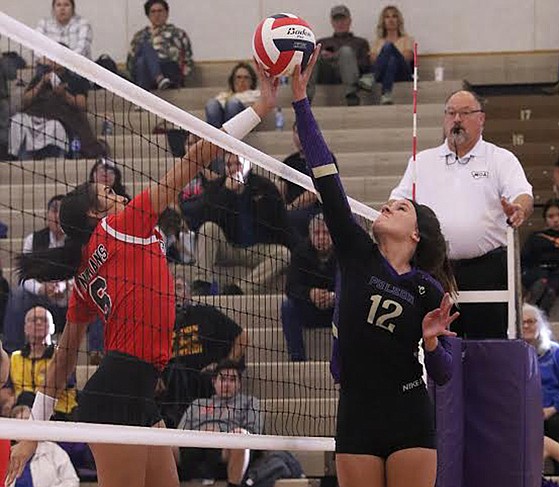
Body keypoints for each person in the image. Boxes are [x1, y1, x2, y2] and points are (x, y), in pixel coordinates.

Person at [5, 64, 278, 487]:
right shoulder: (122, 225)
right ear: (98, 215)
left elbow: (64, 359)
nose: (120, 195)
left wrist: (31, 434)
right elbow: (194, 158)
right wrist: (260, 106)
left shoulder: (85, 272)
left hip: (136, 389)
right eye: (110, 194)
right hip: (118, 391)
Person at [290, 48, 459, 487]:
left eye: (400, 207)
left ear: (416, 234)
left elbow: (444, 375)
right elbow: (326, 175)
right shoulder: (356, 252)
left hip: (409, 413)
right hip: (356, 411)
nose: (387, 205)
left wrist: (432, 343)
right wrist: (300, 99)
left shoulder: (426, 290)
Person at [390, 90, 533, 339]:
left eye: (465, 113)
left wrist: (518, 209)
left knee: (487, 344)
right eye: (451, 113)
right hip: (436, 267)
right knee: (441, 344)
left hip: (487, 269)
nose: (457, 119)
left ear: (481, 119)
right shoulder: (421, 161)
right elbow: (397, 200)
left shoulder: (500, 159)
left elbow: (523, 195)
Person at [187, 154, 292, 296]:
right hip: (228, 248)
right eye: (229, 165)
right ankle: (202, 283)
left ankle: (239, 289)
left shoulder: (264, 187)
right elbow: (204, 219)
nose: (233, 169)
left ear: (248, 166)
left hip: (258, 249)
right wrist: (227, 193)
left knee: (283, 254)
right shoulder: (216, 187)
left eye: (238, 164)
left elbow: (281, 223)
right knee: (208, 228)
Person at [159, 276, 247, 428]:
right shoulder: (160, 323)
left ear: (189, 294)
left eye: (179, 288)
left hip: (205, 381)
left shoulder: (205, 313)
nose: (174, 292)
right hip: (173, 384)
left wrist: (223, 366)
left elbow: (242, 337)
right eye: (170, 288)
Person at [176, 359, 261, 486]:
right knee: (163, 443)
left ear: (239, 384)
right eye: (222, 379)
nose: (227, 384)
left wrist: (222, 434)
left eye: (232, 380)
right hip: (194, 448)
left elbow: (253, 432)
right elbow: (178, 434)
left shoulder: (249, 402)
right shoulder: (198, 403)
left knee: (242, 435)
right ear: (214, 382)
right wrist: (200, 434)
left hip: (224, 449)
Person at [3, 195, 69, 353]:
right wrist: (41, 289)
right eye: (54, 211)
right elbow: (24, 277)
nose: (58, 216)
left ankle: (97, 352)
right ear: (47, 215)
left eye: (62, 212)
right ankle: (12, 351)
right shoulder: (32, 240)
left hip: (69, 297)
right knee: (18, 294)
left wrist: (61, 286)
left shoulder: (77, 240)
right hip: (41, 302)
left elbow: (83, 273)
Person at [9, 55, 106, 159]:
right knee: (17, 121)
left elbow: (82, 105)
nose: (54, 61)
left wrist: (64, 95)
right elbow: (25, 101)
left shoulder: (75, 79)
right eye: (52, 58)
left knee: (54, 127)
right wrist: (41, 83)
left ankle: (55, 157)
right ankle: (21, 160)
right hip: (35, 115)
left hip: (60, 119)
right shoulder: (40, 77)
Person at [281, 214, 336, 361]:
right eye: (317, 233)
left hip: (335, 311)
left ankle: (343, 357)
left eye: (325, 233)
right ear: (310, 235)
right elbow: (291, 287)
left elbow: (352, 285)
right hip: (310, 309)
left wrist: (333, 297)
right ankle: (297, 358)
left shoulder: (343, 254)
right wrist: (310, 294)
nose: (321, 237)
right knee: (288, 307)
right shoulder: (300, 252)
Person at [9, 306, 78, 420]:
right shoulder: (15, 357)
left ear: (53, 328)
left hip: (58, 412)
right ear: (25, 328)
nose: (39, 323)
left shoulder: (62, 355)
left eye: (44, 320)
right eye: (34, 320)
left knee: (26, 399)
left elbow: (64, 384)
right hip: (22, 409)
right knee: (23, 402)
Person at [307, 5, 370, 106]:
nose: (340, 23)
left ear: (349, 21)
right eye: (337, 20)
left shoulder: (360, 42)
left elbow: (365, 65)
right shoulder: (323, 42)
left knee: (346, 52)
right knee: (313, 53)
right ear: (332, 22)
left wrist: (340, 57)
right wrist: (326, 57)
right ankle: (306, 98)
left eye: (343, 19)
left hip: (349, 75)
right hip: (326, 74)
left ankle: (351, 95)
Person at [522, 303, 559, 474]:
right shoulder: (511, 354)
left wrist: (553, 408)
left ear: (541, 325)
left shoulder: (555, 352)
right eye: (523, 322)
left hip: (552, 411)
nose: (527, 326)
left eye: (531, 321)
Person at [127, 0, 193, 90]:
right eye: (153, 11)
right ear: (148, 15)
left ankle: (142, 98)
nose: (157, 15)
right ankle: (159, 79)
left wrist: (182, 77)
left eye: (160, 11)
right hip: (145, 74)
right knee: (143, 56)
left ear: (166, 13)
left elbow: (188, 60)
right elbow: (130, 63)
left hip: (170, 72)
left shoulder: (178, 34)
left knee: (144, 52)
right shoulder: (140, 36)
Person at [8, 405, 79, 487]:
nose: (25, 426)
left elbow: (72, 481)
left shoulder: (54, 451)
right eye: (21, 422)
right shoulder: (5, 453)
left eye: (28, 420)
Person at [278, 123, 320, 240]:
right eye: (296, 132)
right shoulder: (289, 161)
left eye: (303, 131)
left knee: (291, 218)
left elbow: (314, 193)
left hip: (316, 210)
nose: (300, 136)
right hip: (291, 210)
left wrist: (290, 207)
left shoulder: (323, 158)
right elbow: (281, 187)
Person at [366, 6, 413, 105]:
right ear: (383, 21)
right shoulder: (377, 42)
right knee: (392, 60)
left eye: (394, 16)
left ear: (398, 20)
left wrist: (386, 54)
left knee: (389, 48)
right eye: (387, 17)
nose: (391, 20)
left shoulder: (407, 39)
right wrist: (389, 56)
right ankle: (386, 94)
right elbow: (372, 60)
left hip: (402, 73)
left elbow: (407, 57)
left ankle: (371, 77)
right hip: (383, 74)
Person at [522, 198, 559, 314]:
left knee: (551, 289)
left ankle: (537, 316)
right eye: (551, 216)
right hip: (538, 271)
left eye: (558, 215)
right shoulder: (536, 237)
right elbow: (525, 259)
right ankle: (533, 314)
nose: (556, 220)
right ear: (545, 219)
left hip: (557, 273)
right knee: (541, 283)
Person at [205, 62, 260, 128]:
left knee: (233, 104)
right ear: (233, 80)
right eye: (238, 77)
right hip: (221, 122)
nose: (242, 80)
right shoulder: (224, 95)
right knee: (212, 104)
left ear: (252, 81)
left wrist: (229, 99)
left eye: (246, 77)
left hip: (244, 125)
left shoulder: (256, 94)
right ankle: (215, 136)